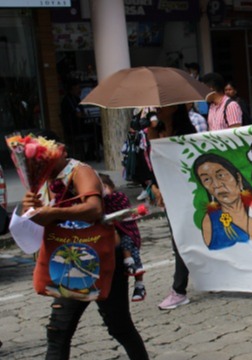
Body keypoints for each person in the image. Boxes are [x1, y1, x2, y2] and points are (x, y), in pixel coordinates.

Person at [21, 133, 149, 359]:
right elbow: (36, 216)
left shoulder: (80, 171)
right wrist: (30, 209)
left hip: (100, 257)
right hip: (68, 257)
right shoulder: (43, 180)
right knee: (58, 330)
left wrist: (53, 213)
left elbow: (94, 208)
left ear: (61, 150)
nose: (40, 162)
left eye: (44, 155)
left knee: (119, 326)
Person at [153, 105, 197, 310]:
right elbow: (152, 163)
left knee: (181, 239)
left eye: (163, 105)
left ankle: (179, 291)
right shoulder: (155, 130)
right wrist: (155, 187)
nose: (158, 108)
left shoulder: (187, 134)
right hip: (167, 193)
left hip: (186, 194)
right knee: (182, 240)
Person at [193, 154, 252, 250]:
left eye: (221, 175)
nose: (216, 185)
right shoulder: (211, 222)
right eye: (206, 179)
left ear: (238, 178)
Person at [99, 173, 147, 302]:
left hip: (127, 229)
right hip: (111, 234)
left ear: (111, 186)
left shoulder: (119, 197)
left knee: (129, 245)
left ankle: (138, 282)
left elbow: (126, 213)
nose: (103, 191)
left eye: (104, 187)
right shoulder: (99, 202)